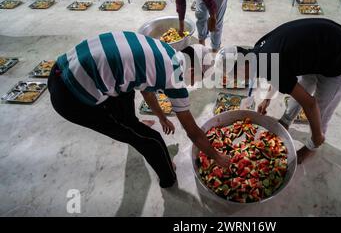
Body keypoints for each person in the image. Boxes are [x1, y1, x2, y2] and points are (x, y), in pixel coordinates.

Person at [48, 31, 229, 188]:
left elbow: (147, 90)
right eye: (196, 80)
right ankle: (168, 177)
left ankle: (130, 122)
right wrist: (216, 156)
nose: (193, 84)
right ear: (191, 71)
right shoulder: (175, 77)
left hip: (62, 67)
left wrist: (162, 117)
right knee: (152, 140)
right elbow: (193, 132)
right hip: (72, 98)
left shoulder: (164, 50)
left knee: (127, 91)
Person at [214, 18, 341, 164]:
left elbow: (310, 104)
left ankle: (313, 146)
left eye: (236, 76)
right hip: (320, 49)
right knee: (303, 85)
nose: (240, 80)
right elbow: (278, 71)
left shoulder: (268, 66)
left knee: (322, 109)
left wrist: (317, 136)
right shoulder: (258, 49)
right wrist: (267, 99)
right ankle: (286, 121)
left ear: (241, 66)